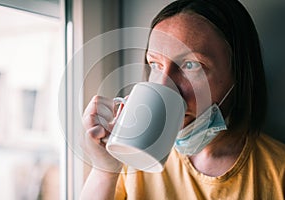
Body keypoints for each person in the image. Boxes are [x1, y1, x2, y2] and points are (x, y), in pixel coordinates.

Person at [80, 0, 285, 199]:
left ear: (239, 75)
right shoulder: (131, 154)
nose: (163, 86)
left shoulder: (278, 173)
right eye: (155, 65)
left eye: (191, 65)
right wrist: (105, 170)